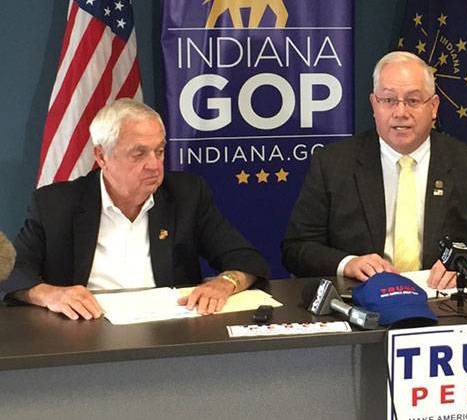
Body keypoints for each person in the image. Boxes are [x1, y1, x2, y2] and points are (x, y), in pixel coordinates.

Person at [0, 99, 270, 320]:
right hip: (85, 331)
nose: (154, 165)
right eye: (139, 154)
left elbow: (246, 259)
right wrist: (50, 294)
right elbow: (14, 272)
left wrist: (226, 283)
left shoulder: (186, 195)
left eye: (160, 151)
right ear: (102, 156)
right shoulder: (56, 204)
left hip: (170, 332)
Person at [282, 51, 467, 289]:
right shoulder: (333, 164)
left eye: (413, 100)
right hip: (363, 303)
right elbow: (296, 248)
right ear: (374, 104)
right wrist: (348, 264)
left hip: (445, 304)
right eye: (388, 100)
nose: (401, 113)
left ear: (433, 107)